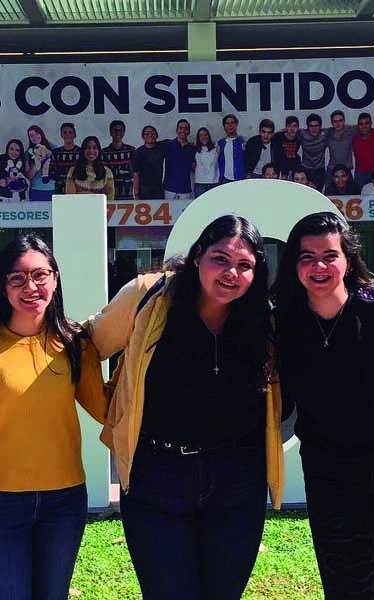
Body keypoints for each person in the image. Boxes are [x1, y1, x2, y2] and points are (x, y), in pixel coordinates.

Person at [86, 214, 283, 600]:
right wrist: (112, 412)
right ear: (196, 257)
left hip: (237, 479)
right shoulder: (149, 296)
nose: (231, 273)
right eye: (220, 259)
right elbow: (86, 346)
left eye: (244, 265)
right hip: (158, 475)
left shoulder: (263, 318)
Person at [272, 211, 374, 599]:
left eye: (329, 255)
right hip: (332, 479)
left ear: (348, 259)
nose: (319, 266)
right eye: (306, 257)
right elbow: (277, 403)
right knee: (346, 589)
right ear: (293, 265)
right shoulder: (282, 326)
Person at [0, 234, 106, 599]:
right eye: (17, 278)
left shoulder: (75, 343)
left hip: (64, 501)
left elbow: (106, 409)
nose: (30, 287)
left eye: (40, 275)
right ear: (2, 286)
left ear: (55, 278)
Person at [163, 119, 197, 199]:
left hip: (185, 189)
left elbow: (195, 167)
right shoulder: (167, 145)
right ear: (176, 130)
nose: (183, 130)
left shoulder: (192, 148)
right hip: (169, 189)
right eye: (180, 128)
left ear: (188, 131)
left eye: (186, 128)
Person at [103, 120, 135, 200]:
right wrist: (125, 171)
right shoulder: (103, 152)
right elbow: (104, 172)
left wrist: (115, 171)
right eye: (115, 130)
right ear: (110, 132)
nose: (118, 133)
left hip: (129, 193)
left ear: (124, 133)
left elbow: (134, 171)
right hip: (110, 194)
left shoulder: (131, 150)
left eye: (120, 130)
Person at [23, 125, 55, 201]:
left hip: (52, 189)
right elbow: (28, 176)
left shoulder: (53, 148)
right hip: (36, 190)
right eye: (31, 136)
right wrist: (37, 162)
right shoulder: (28, 153)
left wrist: (48, 156)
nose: (35, 137)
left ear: (41, 134)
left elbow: (58, 166)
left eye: (37, 133)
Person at [325, 110, 357, 186]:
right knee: (328, 195)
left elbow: (367, 128)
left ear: (344, 121)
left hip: (346, 169)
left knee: (351, 194)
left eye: (340, 121)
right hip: (332, 169)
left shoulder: (351, 130)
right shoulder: (328, 133)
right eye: (335, 121)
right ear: (332, 122)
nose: (338, 124)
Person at [132, 125, 164, 200]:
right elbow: (136, 174)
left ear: (157, 136)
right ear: (143, 137)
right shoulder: (138, 152)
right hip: (144, 190)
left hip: (159, 189)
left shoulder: (162, 147)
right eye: (147, 133)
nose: (150, 135)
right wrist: (136, 194)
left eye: (153, 133)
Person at [48, 122, 81, 195]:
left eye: (70, 132)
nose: (67, 135)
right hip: (60, 190)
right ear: (61, 135)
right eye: (65, 132)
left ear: (74, 135)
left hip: (78, 189)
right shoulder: (55, 153)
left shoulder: (81, 152)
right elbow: (51, 172)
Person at [298, 113, 328, 191]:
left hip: (320, 170)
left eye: (316, 126)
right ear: (307, 127)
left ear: (320, 127)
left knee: (318, 194)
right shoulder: (302, 133)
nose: (314, 128)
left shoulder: (325, 134)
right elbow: (288, 130)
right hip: (306, 169)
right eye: (311, 126)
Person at [271, 115, 302, 180]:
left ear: (298, 127)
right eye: (289, 126)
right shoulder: (278, 137)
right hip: (279, 167)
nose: (292, 129)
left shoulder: (299, 137)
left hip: (292, 167)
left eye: (294, 126)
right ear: (286, 127)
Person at [217, 114, 246, 183]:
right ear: (224, 126)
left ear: (236, 124)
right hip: (225, 179)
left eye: (232, 123)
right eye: (227, 123)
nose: (230, 125)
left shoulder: (243, 141)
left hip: (240, 178)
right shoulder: (220, 143)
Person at [194, 127, 219, 197]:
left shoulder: (216, 148)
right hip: (200, 184)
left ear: (209, 136)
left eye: (205, 134)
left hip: (214, 183)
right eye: (201, 135)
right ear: (198, 138)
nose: (203, 137)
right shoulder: (195, 149)